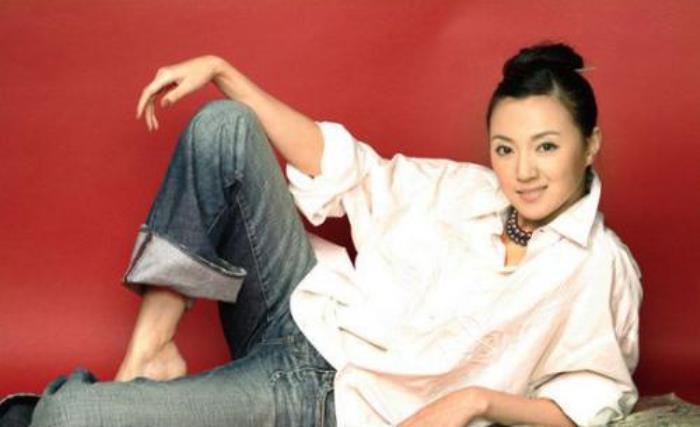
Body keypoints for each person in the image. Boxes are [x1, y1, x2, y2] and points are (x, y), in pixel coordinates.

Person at [0, 41, 642, 427]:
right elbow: (347, 168)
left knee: (71, 417)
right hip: (305, 310)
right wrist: (225, 71)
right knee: (224, 124)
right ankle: (152, 352)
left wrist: (475, 401)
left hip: (326, 400)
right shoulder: (464, 189)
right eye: (505, 148)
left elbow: (593, 397)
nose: (522, 171)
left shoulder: (597, 268)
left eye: (546, 146)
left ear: (590, 145)